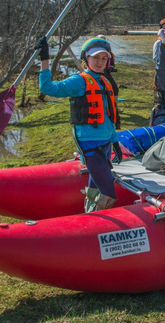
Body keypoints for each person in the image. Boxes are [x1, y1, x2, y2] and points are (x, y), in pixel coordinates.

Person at [38, 36, 121, 213]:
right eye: (95, 58)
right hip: (90, 145)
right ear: (86, 59)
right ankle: (95, 224)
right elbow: (48, 88)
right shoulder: (79, 81)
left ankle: (89, 211)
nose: (100, 62)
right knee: (109, 193)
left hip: (105, 144)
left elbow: (108, 116)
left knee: (95, 186)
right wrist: (45, 59)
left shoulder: (104, 81)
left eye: (104, 58)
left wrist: (115, 141)